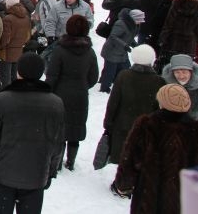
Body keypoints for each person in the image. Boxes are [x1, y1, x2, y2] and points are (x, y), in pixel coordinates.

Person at [0, 53, 65, 214]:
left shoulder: (2, 100)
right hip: (36, 176)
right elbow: (57, 144)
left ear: (18, 72)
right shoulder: (55, 104)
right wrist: (50, 172)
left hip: (3, 175)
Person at [112, 85, 198, 213]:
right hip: (184, 200)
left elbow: (131, 158)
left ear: (162, 102)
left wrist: (123, 184)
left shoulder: (147, 124)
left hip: (149, 196)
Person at [45, 15, 99, 171]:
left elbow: (52, 75)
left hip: (60, 95)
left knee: (61, 129)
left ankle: (58, 162)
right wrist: (82, 85)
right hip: (80, 96)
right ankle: (71, 161)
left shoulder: (60, 51)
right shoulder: (89, 52)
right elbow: (93, 77)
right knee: (76, 128)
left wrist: (50, 90)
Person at [102, 44, 164, 165]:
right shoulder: (159, 81)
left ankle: (118, 181)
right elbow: (158, 109)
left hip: (122, 126)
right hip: (145, 128)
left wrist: (108, 122)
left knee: (120, 157)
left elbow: (113, 102)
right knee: (139, 158)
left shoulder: (124, 76)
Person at [100, 9, 144, 93]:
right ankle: (104, 88)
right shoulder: (121, 24)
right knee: (110, 72)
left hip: (122, 52)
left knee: (126, 69)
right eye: (139, 20)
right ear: (133, 18)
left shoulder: (133, 25)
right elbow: (113, 36)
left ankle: (125, 85)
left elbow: (129, 37)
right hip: (112, 51)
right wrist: (125, 45)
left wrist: (135, 45)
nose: (140, 22)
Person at [162, 54, 198, 121]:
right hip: (170, 127)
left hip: (194, 126)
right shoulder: (164, 84)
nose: (181, 76)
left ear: (191, 72)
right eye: (177, 72)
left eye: (184, 72)